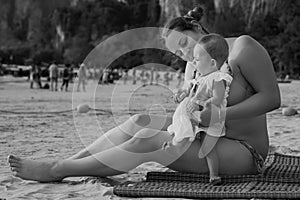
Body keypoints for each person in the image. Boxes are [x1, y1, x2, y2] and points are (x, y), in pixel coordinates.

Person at [8, 6, 280, 183]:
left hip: (243, 151)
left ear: (197, 29)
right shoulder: (193, 66)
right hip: (204, 136)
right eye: (179, 53)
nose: (186, 55)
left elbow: (272, 99)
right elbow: (191, 108)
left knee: (146, 141)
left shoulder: (243, 49)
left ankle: (58, 170)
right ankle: (73, 162)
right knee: (141, 121)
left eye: (185, 44)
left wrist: (220, 113)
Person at [164, 34, 232, 184]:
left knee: (207, 147)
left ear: (212, 63)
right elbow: (190, 89)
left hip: (211, 118)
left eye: (198, 59)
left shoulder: (217, 78)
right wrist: (181, 94)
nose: (194, 62)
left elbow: (218, 99)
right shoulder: (201, 78)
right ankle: (176, 146)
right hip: (198, 115)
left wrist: (201, 103)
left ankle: (214, 175)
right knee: (185, 128)